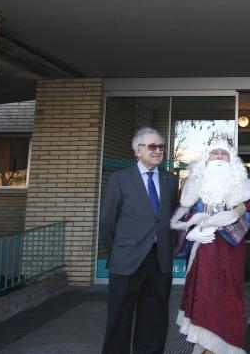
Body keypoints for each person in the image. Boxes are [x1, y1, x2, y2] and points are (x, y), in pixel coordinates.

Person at [170, 140, 250, 354]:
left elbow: (246, 214)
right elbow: (182, 215)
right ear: (206, 159)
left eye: (224, 154)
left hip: (230, 254)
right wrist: (191, 231)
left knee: (228, 300)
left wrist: (215, 224)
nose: (219, 157)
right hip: (202, 254)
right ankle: (202, 348)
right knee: (203, 298)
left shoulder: (243, 187)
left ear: (232, 160)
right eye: (214, 153)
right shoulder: (193, 186)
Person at [99, 127, 178, 354]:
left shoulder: (170, 179)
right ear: (137, 150)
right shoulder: (120, 179)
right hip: (127, 260)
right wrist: (122, 248)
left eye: (161, 147)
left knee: (154, 318)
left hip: (159, 259)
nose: (158, 151)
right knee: (120, 318)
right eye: (152, 146)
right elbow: (108, 222)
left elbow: (170, 216)